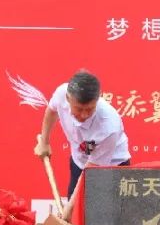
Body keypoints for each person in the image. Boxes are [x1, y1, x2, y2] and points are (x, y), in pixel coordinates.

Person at [34, 70, 130, 198]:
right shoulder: (62, 93)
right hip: (79, 160)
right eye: (79, 109)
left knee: (102, 213)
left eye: (90, 109)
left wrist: (69, 211)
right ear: (68, 99)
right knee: (74, 207)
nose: (84, 115)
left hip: (111, 169)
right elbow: (52, 111)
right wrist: (45, 143)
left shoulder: (108, 125)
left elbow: (91, 173)